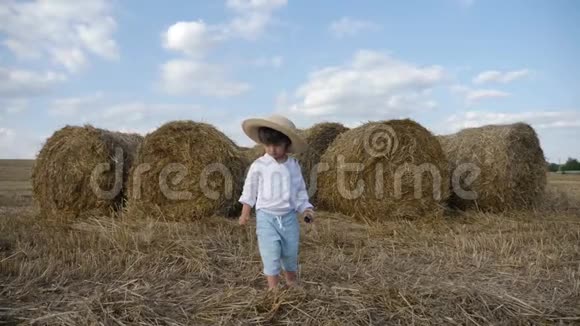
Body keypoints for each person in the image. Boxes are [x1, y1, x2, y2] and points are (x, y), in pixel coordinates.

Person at [238, 114, 315, 290]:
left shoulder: (293, 165)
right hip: (266, 218)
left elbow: (299, 191)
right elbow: (250, 190)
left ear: (287, 144)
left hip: (288, 218)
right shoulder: (258, 165)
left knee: (290, 252)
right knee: (270, 252)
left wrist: (306, 209)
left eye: (277, 145)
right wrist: (245, 212)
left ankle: (291, 280)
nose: (272, 150)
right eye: (268, 145)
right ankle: (273, 287)